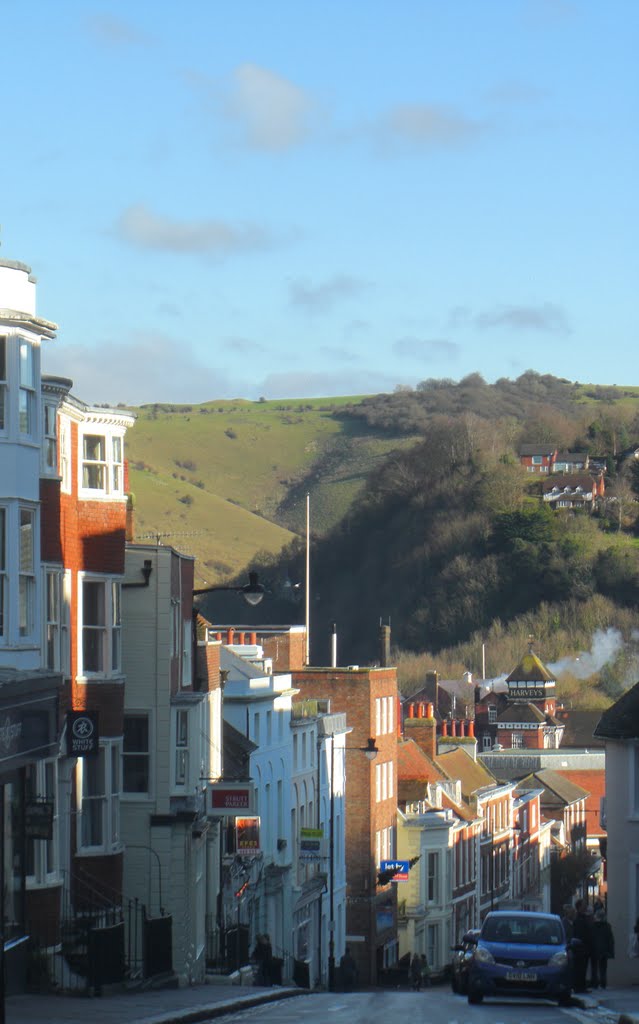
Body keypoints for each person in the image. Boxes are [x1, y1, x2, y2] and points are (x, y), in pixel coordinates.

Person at [572, 899, 593, 993]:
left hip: (584, 947)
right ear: (579, 907)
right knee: (580, 968)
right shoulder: (578, 919)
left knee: (583, 968)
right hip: (581, 948)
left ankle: (581, 986)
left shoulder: (583, 918)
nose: (586, 906)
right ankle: (579, 987)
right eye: (584, 905)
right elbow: (582, 934)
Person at [591, 909, 614, 989]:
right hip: (604, 949)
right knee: (603, 968)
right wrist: (610, 951)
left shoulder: (593, 925)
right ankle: (603, 983)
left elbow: (591, 938)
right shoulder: (607, 926)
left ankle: (595, 983)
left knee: (594, 967)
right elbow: (610, 940)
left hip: (594, 949)